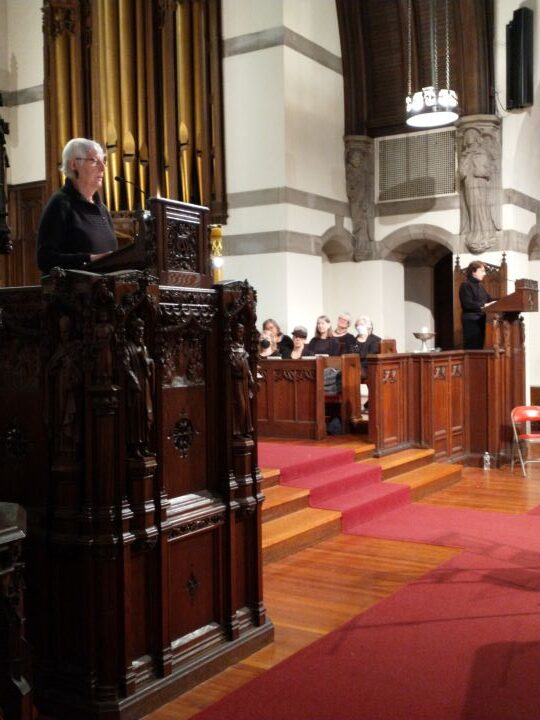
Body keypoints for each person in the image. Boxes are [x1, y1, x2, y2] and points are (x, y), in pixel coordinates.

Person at [37, 137, 117, 273]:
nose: (103, 168)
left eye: (103, 161)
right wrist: (89, 259)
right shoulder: (60, 204)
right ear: (74, 165)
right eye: (94, 161)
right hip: (74, 291)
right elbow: (45, 259)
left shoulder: (102, 209)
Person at [459, 260, 495, 349]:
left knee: (479, 347)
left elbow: (489, 299)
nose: (484, 274)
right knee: (472, 347)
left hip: (481, 320)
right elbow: (467, 304)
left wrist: (503, 300)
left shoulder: (480, 286)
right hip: (471, 321)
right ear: (473, 272)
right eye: (482, 271)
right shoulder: (465, 285)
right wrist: (484, 305)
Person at [352, 316, 381, 381]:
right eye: (357, 325)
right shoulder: (353, 341)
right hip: (354, 368)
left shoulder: (376, 340)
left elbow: (372, 357)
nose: (359, 327)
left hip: (370, 369)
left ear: (368, 326)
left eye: (362, 325)